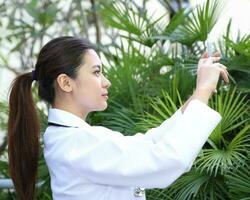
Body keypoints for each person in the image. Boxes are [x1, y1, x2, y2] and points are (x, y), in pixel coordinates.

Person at [7, 36, 229, 200]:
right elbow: (165, 161)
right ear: (66, 83)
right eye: (96, 72)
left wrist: (198, 94)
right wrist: (205, 89)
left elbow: (149, 143)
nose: (106, 82)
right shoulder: (76, 143)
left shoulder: (71, 138)